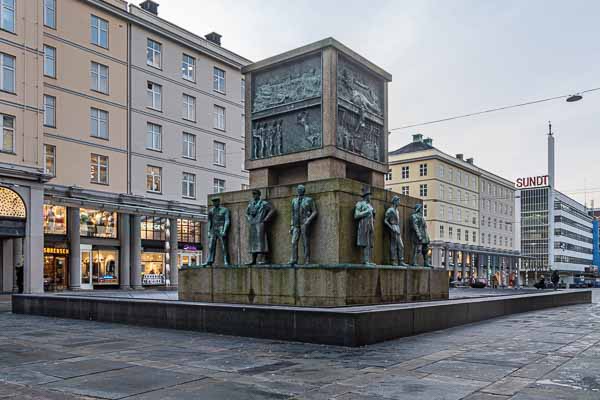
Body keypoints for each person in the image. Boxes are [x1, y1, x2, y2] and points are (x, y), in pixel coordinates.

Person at [289, 184, 318, 265]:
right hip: (295, 224)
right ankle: (294, 259)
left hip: (304, 223)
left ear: (303, 191)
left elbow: (315, 211)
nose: (299, 191)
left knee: (305, 242)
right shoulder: (294, 200)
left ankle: (307, 259)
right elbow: (292, 214)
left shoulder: (309, 200)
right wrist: (291, 225)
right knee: (293, 242)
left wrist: (308, 220)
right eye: (298, 189)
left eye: (301, 189)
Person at [246, 190, 275, 265]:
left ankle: (263, 259)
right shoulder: (251, 204)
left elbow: (272, 210)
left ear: (259, 195)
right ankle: (253, 260)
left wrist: (265, 219)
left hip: (260, 224)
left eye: (255, 194)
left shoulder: (264, 203)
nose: (254, 195)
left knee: (261, 241)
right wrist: (249, 218)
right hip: (253, 224)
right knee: (253, 242)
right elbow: (247, 213)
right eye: (253, 194)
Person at [203, 198, 230, 266]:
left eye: (215, 201)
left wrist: (224, 230)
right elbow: (209, 221)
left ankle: (226, 260)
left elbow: (227, 220)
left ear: (218, 201)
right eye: (213, 202)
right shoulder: (211, 211)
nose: (214, 203)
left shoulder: (225, 210)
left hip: (221, 229)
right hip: (213, 230)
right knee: (211, 246)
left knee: (224, 246)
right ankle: (210, 260)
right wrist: (209, 231)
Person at [354, 186, 376, 265]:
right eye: (370, 195)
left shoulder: (370, 205)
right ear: (366, 196)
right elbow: (356, 215)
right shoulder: (360, 204)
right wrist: (366, 212)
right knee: (365, 242)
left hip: (370, 224)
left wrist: (373, 216)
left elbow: (373, 215)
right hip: (363, 224)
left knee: (370, 243)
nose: (371, 197)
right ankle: (365, 260)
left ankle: (369, 260)